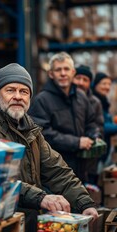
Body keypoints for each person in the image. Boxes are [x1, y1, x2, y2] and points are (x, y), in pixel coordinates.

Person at [0, 63, 98, 232]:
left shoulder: (30, 129)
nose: (17, 96)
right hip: (1, 226)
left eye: (24, 92)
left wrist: (85, 203)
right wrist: (42, 197)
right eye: (10, 90)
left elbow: (57, 170)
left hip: (26, 222)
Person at [29, 52, 102, 182]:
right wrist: (77, 142)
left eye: (66, 69)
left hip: (81, 168)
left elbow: (91, 122)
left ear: (73, 72)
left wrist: (94, 135)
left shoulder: (81, 97)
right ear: (51, 74)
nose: (63, 73)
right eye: (58, 70)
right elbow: (41, 134)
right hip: (55, 172)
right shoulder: (42, 100)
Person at [73, 65, 104, 184]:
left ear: (90, 83)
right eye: (78, 78)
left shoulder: (95, 103)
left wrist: (94, 136)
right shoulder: (66, 100)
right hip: (69, 157)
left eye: (85, 80)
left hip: (89, 160)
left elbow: (98, 127)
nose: (80, 82)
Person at [92, 72, 117, 168]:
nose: (107, 87)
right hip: (95, 154)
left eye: (109, 84)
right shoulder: (93, 101)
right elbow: (101, 127)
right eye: (104, 83)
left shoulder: (104, 101)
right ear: (95, 84)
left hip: (103, 151)